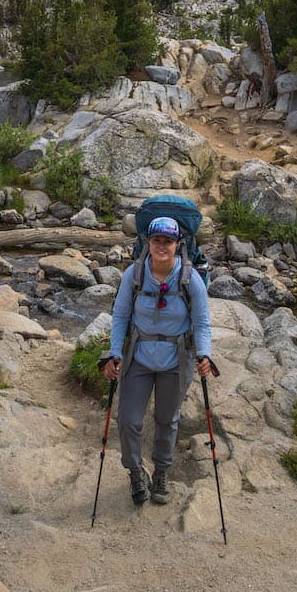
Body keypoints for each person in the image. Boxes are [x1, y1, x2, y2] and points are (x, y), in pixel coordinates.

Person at [100, 216, 215, 506]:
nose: (161, 246)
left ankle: (161, 472)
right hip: (138, 356)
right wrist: (115, 353)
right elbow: (121, 316)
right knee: (128, 419)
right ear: (147, 243)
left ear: (178, 244)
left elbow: (201, 323)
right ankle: (136, 472)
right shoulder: (134, 274)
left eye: (168, 241)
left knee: (167, 420)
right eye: (156, 240)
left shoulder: (190, 278)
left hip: (176, 361)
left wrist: (204, 354)